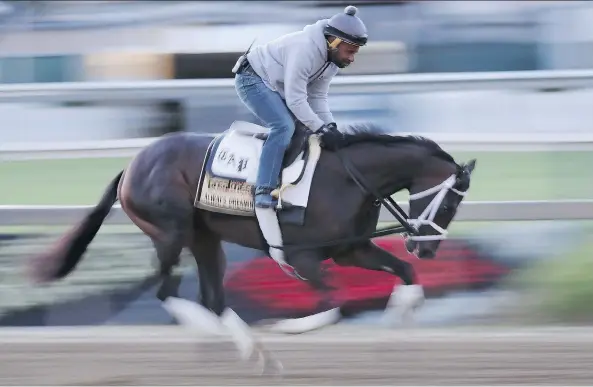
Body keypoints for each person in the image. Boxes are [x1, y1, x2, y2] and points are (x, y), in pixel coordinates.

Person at [232, 5, 368, 209]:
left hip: (276, 85)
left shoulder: (331, 62)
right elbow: (296, 100)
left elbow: (317, 96)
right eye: (349, 51)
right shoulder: (305, 49)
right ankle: (263, 190)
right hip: (252, 79)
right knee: (284, 126)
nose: (351, 58)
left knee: (307, 129)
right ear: (334, 42)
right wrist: (320, 128)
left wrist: (329, 126)